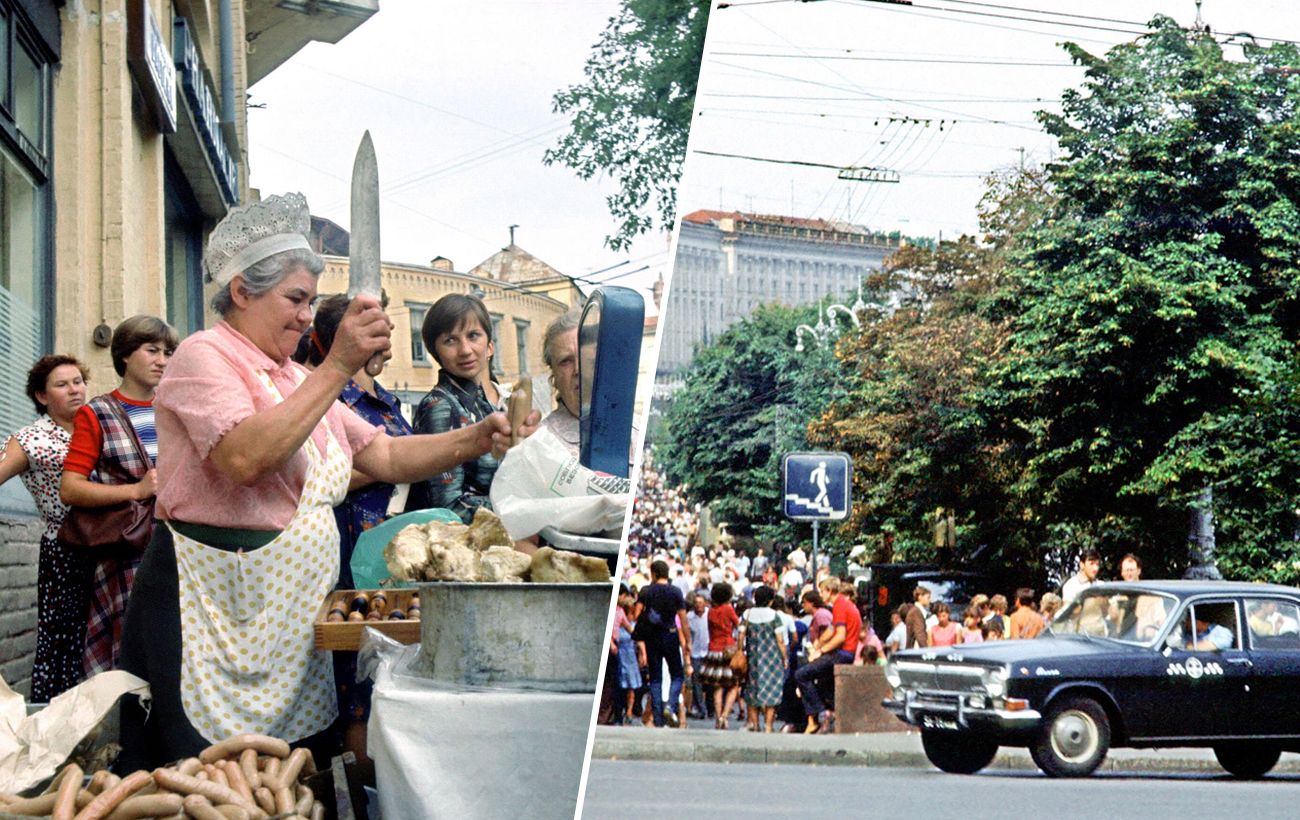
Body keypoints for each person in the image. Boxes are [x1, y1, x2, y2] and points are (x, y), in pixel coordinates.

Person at [114, 193, 534, 770]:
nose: (305, 316)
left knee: (288, 773)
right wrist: (338, 366)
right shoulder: (203, 356)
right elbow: (245, 457)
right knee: (202, 775)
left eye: (310, 301)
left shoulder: (293, 376)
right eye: (294, 299)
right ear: (242, 292)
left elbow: (383, 454)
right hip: (213, 609)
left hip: (288, 618)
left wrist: (480, 435)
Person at [300, 293, 414, 772]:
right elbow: (321, 475)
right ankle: (358, 779)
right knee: (357, 668)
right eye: (371, 327)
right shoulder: (325, 396)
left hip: (390, 549)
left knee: (391, 662)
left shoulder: (383, 399)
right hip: (351, 545)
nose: (383, 338)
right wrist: (388, 466)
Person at [62, 315, 177, 678]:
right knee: (131, 649)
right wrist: (136, 490)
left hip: (184, 546)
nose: (162, 360)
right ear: (125, 355)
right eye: (152, 350)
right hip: (130, 551)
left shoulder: (176, 409)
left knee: (177, 647)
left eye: (168, 352)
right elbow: (71, 487)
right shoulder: (97, 413)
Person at [0, 356, 91, 701]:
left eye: (78, 381)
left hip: (114, 547)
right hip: (66, 551)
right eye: (62, 384)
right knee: (63, 646)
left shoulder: (99, 426)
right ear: (42, 396)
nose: (74, 390)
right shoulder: (31, 439)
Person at [408, 293, 506, 524]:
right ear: (436, 353)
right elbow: (448, 507)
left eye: (473, 336)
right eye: (450, 340)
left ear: (489, 345)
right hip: (462, 548)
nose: (465, 350)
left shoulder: (488, 402)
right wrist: (520, 509)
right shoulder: (439, 405)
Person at [794, 578, 860, 734]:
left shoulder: (840, 606)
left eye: (823, 591)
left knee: (801, 675)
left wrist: (821, 651)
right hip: (847, 652)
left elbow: (840, 636)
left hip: (843, 653)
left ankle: (821, 713)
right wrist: (818, 645)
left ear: (830, 591)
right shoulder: (843, 604)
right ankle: (823, 713)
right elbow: (831, 630)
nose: (821, 595)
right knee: (821, 681)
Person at [634, 559, 691, 728]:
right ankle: (671, 706)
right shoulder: (676, 592)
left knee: (656, 678)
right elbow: (683, 619)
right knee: (677, 675)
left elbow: (637, 614)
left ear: (654, 574)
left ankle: (658, 718)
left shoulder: (646, 591)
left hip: (652, 637)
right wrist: (687, 641)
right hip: (671, 635)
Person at [738, 585, 785, 732]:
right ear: (770, 601)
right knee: (772, 691)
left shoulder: (747, 614)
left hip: (753, 659)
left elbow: (740, 636)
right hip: (773, 660)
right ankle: (769, 726)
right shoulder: (774, 616)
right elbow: (780, 641)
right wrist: (785, 658)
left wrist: (740, 651)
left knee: (752, 692)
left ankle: (756, 725)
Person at [537, 310, 581, 455]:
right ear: (553, 376)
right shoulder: (540, 444)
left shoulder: (637, 427)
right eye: (566, 361)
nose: (578, 370)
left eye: (586, 356)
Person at [699, 583, 740, 729]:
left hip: (713, 648)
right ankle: (725, 716)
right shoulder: (728, 609)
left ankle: (718, 718)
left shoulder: (710, 612)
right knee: (733, 685)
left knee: (717, 686)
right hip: (727, 649)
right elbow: (738, 624)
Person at [612, 584, 643, 725]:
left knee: (630, 685)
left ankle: (628, 712)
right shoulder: (615, 611)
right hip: (619, 652)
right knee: (618, 685)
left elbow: (630, 628)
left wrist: (642, 648)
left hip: (628, 655)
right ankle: (618, 713)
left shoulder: (620, 613)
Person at [685, 591, 711, 720]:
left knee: (710, 682)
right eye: (696, 603)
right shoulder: (689, 617)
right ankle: (701, 709)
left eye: (701, 603)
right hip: (695, 653)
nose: (699, 605)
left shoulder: (709, 615)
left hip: (708, 652)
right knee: (697, 682)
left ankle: (709, 707)